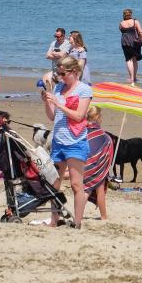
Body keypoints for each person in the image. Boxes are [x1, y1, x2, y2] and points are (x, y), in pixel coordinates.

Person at [40, 55, 91, 228]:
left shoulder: (84, 90)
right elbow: (52, 116)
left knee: (77, 184)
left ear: (74, 71)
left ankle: (77, 222)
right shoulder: (59, 88)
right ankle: (54, 220)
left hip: (76, 142)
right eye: (59, 74)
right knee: (54, 182)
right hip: (58, 141)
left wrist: (59, 104)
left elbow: (79, 116)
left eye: (63, 74)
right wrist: (47, 103)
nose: (61, 77)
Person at [119, 9, 142, 84]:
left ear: (124, 15)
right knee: (135, 60)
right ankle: (134, 77)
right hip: (135, 42)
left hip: (125, 42)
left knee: (128, 60)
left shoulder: (121, 23)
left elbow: (121, 31)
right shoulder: (135, 21)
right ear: (131, 14)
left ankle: (131, 78)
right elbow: (141, 32)